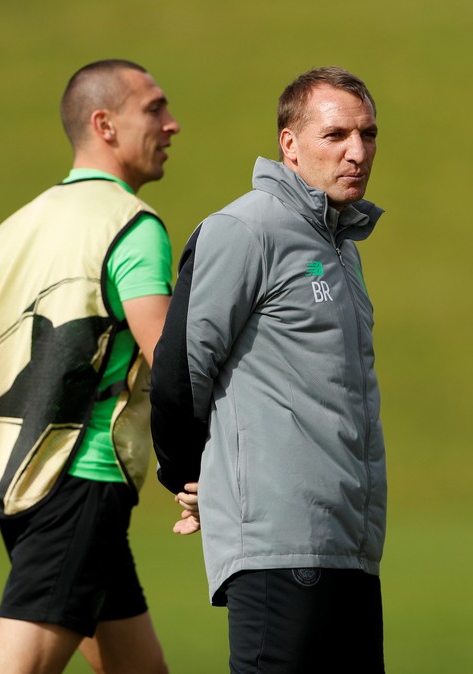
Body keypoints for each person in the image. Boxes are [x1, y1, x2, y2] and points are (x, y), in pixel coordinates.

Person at [0, 59, 179, 674]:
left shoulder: (12, 231)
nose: (172, 125)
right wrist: (203, 471)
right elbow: (171, 364)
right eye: (155, 109)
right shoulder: (131, 227)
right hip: (79, 484)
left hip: (18, 489)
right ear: (104, 124)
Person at [150, 66, 387, 673]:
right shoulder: (245, 229)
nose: (356, 152)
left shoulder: (341, 246)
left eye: (367, 134)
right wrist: (184, 474)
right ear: (289, 143)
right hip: (279, 546)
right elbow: (180, 369)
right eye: (336, 135)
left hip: (349, 545)